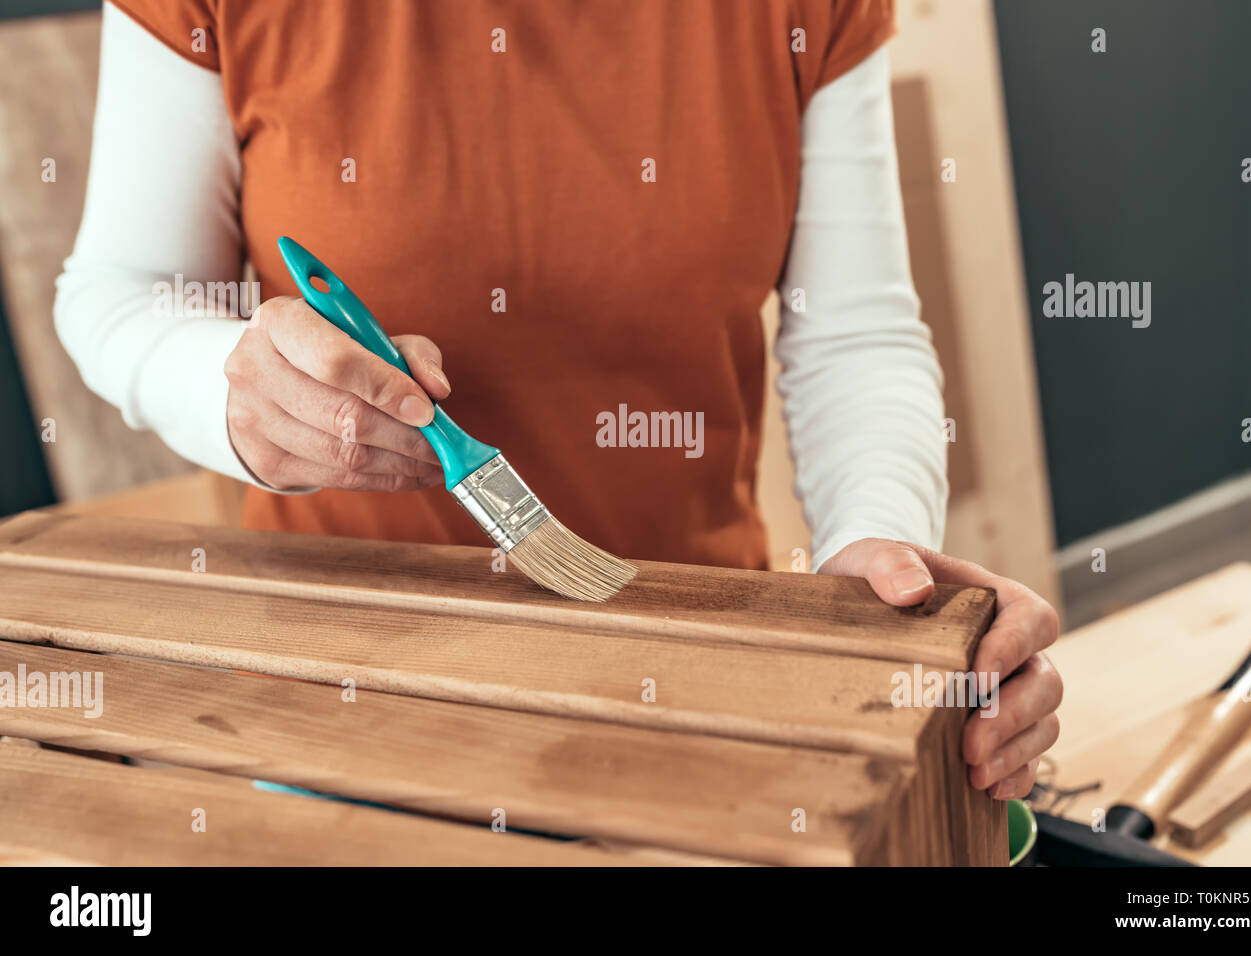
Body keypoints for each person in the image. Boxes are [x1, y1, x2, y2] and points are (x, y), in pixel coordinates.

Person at [55, 0, 1061, 800]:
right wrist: (233, 388)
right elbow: (120, 295)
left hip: (702, 686)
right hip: (338, 708)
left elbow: (851, 332)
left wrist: (876, 552)